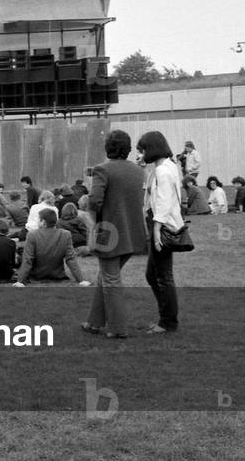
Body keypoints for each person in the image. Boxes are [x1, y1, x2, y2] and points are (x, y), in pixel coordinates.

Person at [82, 129, 147, 340]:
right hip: (134, 233)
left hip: (109, 233)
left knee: (109, 278)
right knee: (106, 276)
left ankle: (118, 328)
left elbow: (94, 201)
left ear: (107, 147)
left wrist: (94, 218)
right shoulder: (139, 171)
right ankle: (93, 323)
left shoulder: (102, 169)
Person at [138, 131, 182, 334]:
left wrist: (156, 230)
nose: (141, 154)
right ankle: (165, 317)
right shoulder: (165, 168)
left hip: (161, 226)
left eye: (143, 150)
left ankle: (167, 322)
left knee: (162, 275)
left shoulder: (163, 171)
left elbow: (163, 202)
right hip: (160, 223)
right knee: (152, 274)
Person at [13, 209, 87, 286]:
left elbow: (27, 259)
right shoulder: (65, 234)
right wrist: (81, 280)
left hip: (37, 277)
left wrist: (20, 281)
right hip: (57, 276)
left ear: (43, 222)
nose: (37, 222)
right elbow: (71, 259)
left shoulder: (32, 235)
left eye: (38, 220)